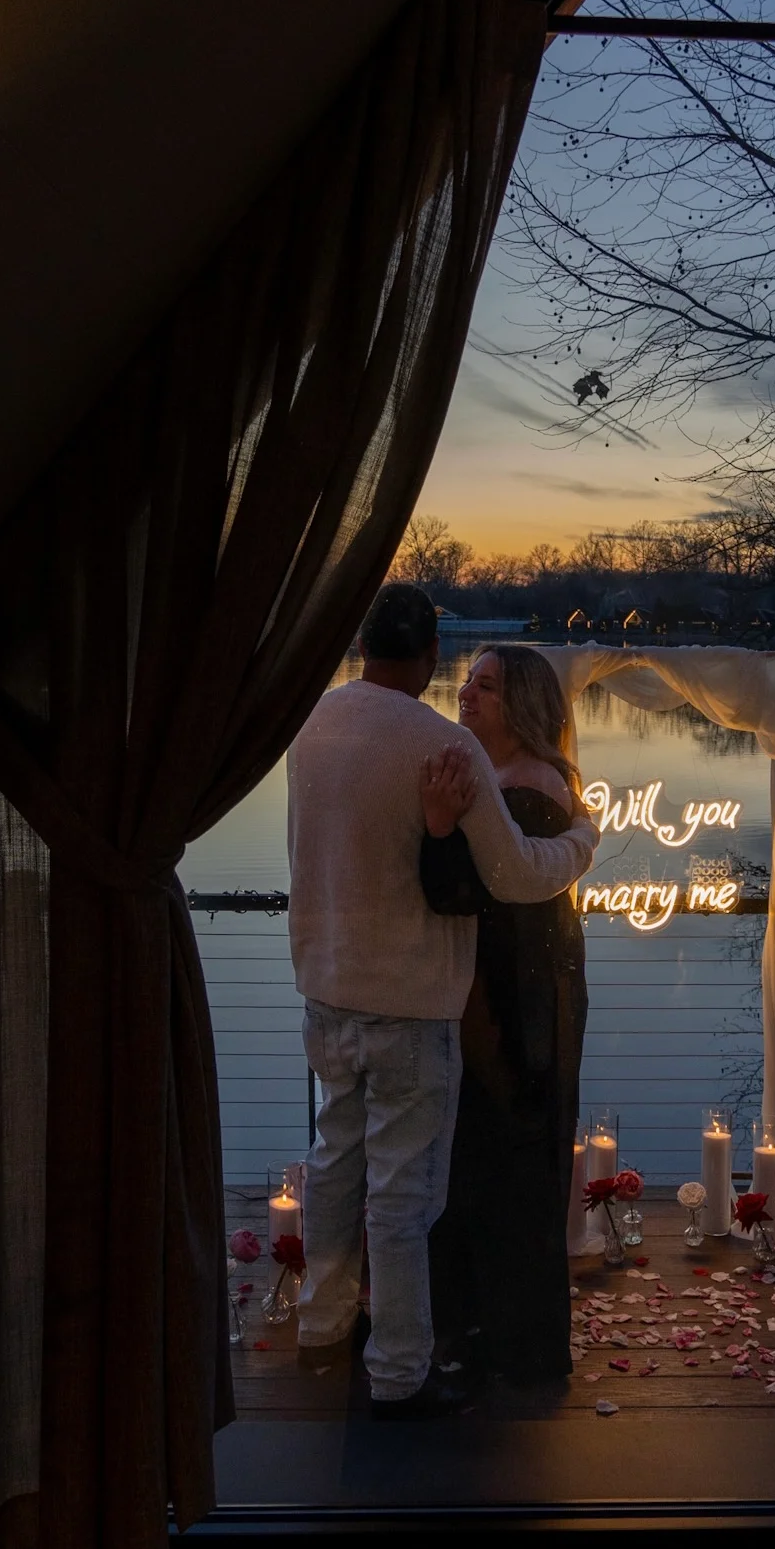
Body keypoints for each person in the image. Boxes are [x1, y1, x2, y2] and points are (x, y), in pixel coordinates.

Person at [286, 585, 598, 1420]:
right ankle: (397, 1367)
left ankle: (319, 1320)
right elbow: (512, 875)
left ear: (362, 645)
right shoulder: (438, 743)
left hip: (323, 984)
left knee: (332, 1161)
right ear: (429, 655)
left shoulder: (309, 724)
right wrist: (581, 839)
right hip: (410, 999)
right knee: (401, 1192)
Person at [419, 645, 588, 1383]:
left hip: (516, 1000)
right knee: (486, 1154)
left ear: (520, 704)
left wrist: (434, 826)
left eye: (485, 687)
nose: (467, 694)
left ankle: (504, 1334)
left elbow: (467, 893)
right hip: (509, 988)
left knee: (502, 1150)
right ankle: (483, 1321)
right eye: (468, 681)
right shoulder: (498, 779)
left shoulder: (528, 789)